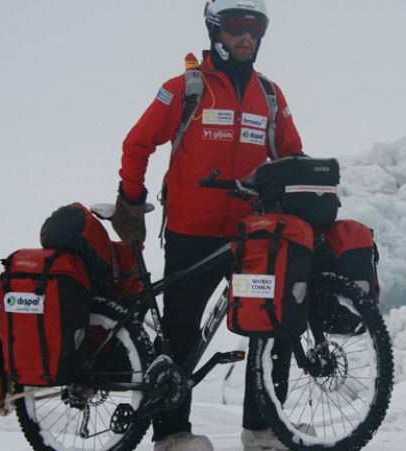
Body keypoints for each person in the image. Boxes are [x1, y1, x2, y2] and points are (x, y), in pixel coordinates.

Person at [112, 1, 302, 450]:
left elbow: (292, 154)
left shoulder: (270, 96)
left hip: (251, 236)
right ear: (216, 30)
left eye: (255, 29)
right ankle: (173, 435)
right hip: (190, 233)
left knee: (269, 327)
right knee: (181, 332)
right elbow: (137, 143)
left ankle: (261, 429)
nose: (247, 38)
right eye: (238, 28)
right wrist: (131, 199)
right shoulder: (185, 89)